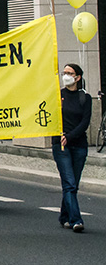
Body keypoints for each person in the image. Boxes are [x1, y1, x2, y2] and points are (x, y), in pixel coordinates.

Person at [54, 63, 92, 232]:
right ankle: (76, 220)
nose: (66, 75)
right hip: (60, 146)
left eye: (70, 73)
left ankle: (64, 216)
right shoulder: (57, 95)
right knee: (69, 183)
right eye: (64, 72)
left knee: (73, 184)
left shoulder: (85, 97)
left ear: (78, 77)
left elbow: (85, 122)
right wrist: (59, 135)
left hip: (78, 145)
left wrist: (69, 137)